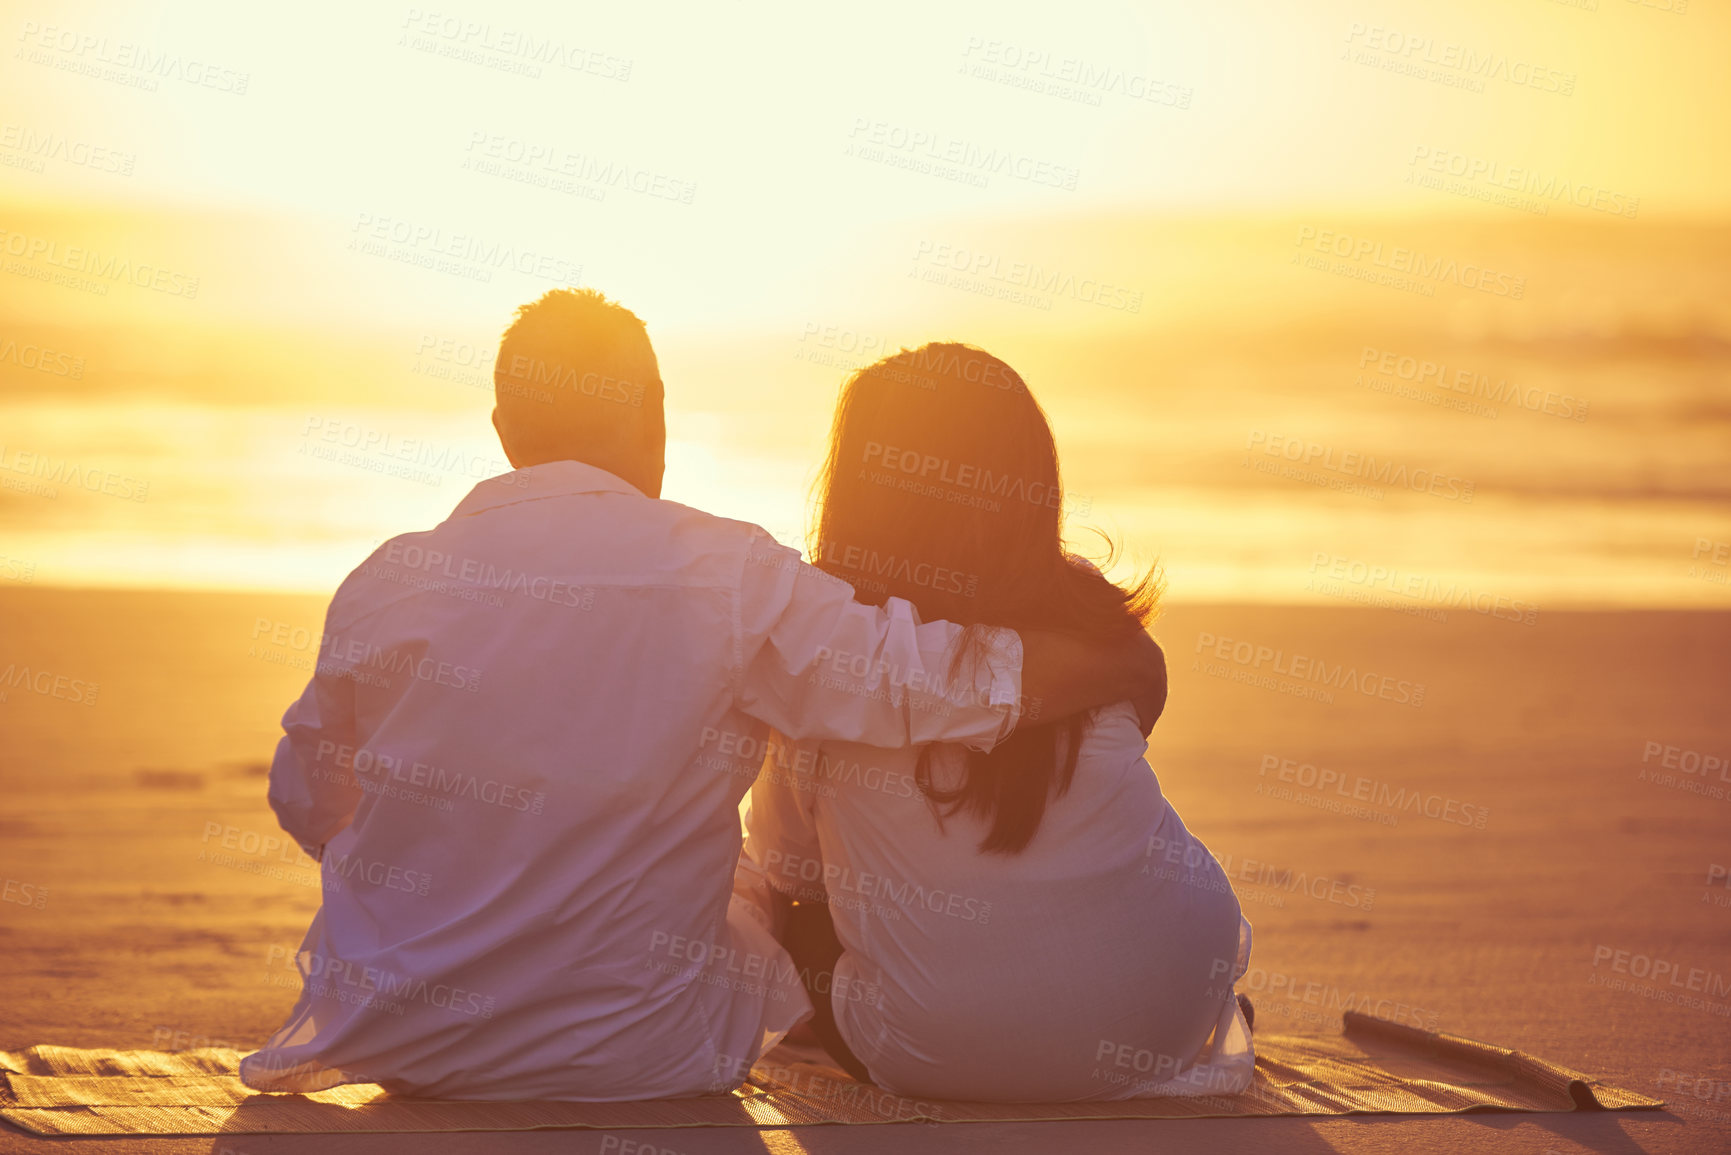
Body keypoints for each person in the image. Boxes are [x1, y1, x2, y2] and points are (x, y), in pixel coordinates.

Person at [239, 291, 1168, 1100]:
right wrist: (1116, 661)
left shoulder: (386, 582)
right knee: (765, 894)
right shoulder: (726, 577)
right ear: (656, 417)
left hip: (404, 1040)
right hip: (644, 1054)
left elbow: (308, 800)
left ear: (500, 427)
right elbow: (918, 679)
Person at [744, 343, 1254, 1103]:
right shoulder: (1088, 621)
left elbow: (789, 869)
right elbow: (1141, 711)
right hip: (1168, 1015)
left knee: (810, 911)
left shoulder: (837, 653)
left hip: (938, 1051)